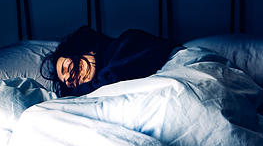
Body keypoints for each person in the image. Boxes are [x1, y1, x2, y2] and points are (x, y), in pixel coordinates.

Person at [41, 26, 179, 96]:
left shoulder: (128, 41)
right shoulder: (95, 91)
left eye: (67, 68)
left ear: (88, 50)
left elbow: (117, 75)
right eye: (68, 84)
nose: (69, 79)